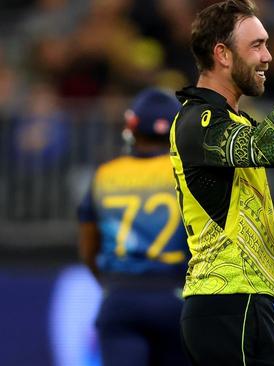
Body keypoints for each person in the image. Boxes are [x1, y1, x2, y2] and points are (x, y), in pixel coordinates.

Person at [169, 1, 274, 364]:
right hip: (226, 302)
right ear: (222, 54)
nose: (267, 56)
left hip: (243, 301)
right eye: (256, 45)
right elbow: (267, 145)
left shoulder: (234, 123)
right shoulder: (198, 120)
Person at [77, 88, 190, 366]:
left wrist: (114, 284)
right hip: (176, 297)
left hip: (122, 296)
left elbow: (88, 247)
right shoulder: (188, 173)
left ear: (132, 127)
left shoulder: (106, 175)